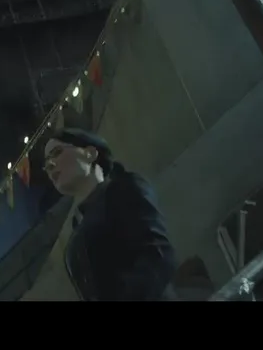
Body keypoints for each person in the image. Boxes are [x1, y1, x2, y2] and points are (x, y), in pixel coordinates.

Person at [44, 128, 177, 301]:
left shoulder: (124, 188)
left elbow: (158, 255)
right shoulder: (76, 230)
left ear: (90, 153)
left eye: (57, 153)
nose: (50, 165)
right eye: (46, 164)